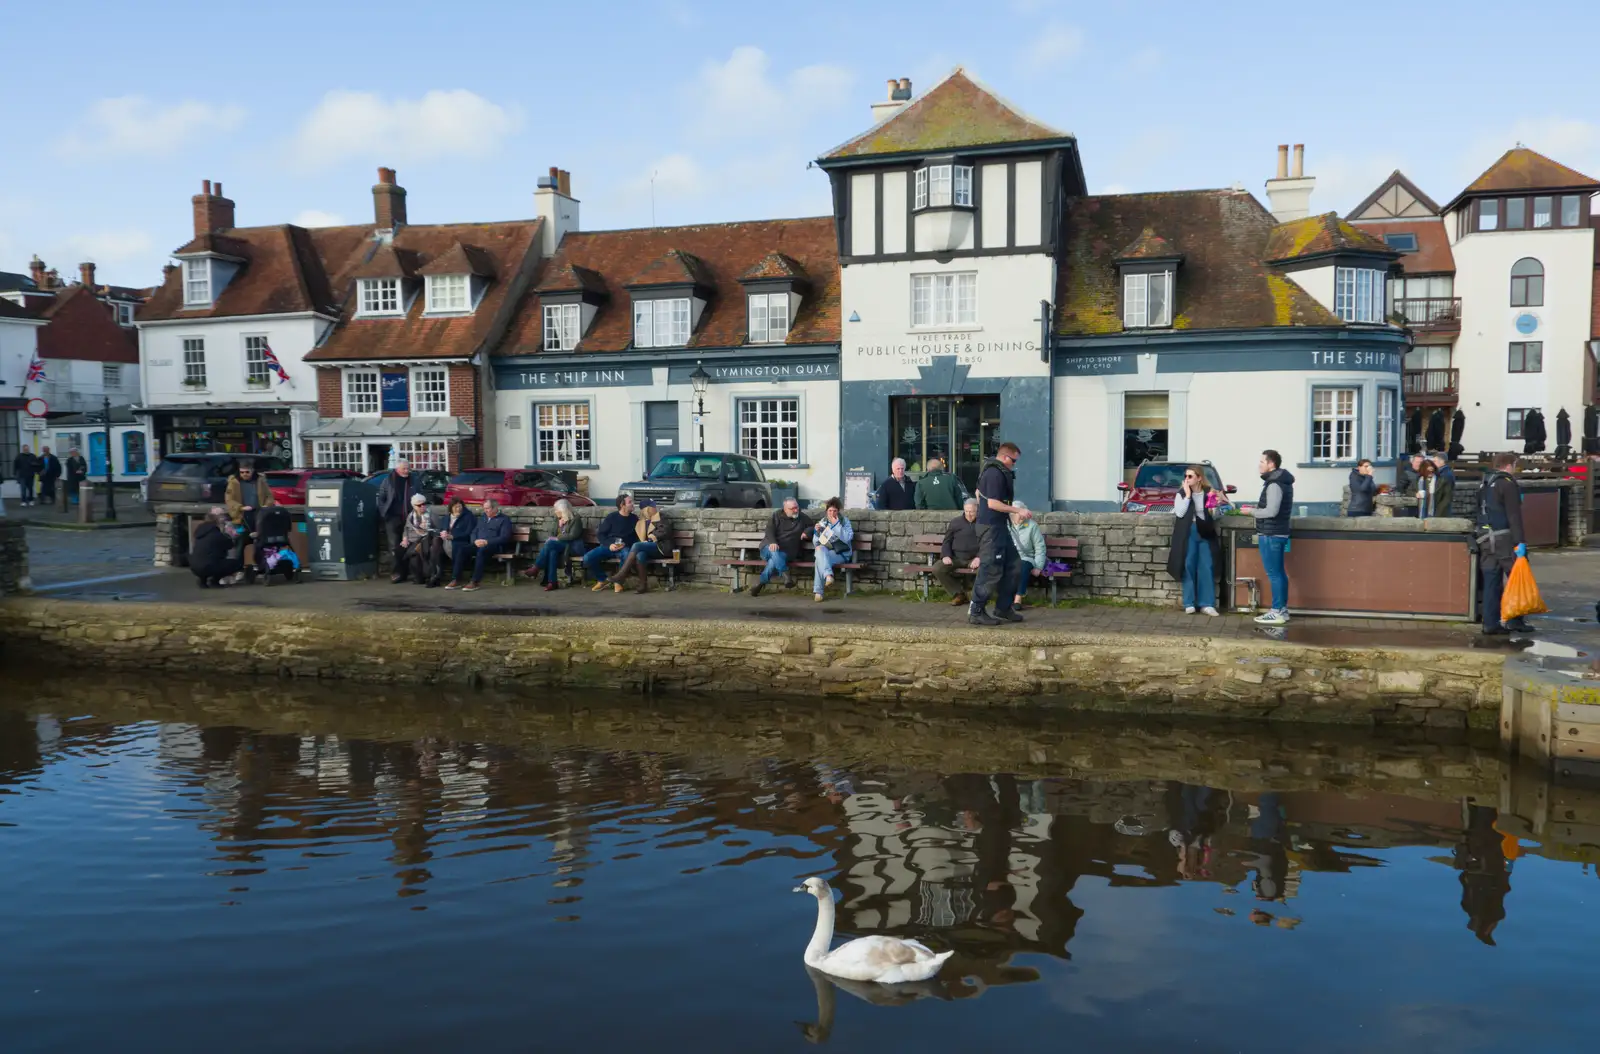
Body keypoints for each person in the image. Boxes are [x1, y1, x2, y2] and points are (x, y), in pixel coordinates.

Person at [969, 441, 1030, 627]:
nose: (1014, 465)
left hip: (997, 526)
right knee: (990, 569)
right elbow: (992, 503)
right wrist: (1016, 511)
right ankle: (977, 611)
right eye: (1013, 461)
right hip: (991, 528)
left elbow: (978, 493)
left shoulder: (992, 471)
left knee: (1015, 565)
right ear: (1005, 457)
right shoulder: (994, 473)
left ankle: (1003, 607)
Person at [1476, 452, 1528, 636]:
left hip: (1484, 538)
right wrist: (1520, 541)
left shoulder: (1485, 483)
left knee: (1491, 581)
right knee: (1517, 578)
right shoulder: (1507, 483)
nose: (1515, 469)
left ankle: (1490, 623)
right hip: (1504, 538)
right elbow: (1513, 515)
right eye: (1515, 465)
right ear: (1509, 465)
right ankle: (1515, 620)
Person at [1249, 449, 1294, 626]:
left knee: (1274, 574)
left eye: (1262, 462)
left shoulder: (1274, 484)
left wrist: (1251, 511)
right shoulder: (1282, 482)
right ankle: (1282, 610)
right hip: (1278, 532)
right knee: (1280, 574)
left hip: (1271, 534)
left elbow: (1272, 511)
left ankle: (1276, 611)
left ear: (1271, 464)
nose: (1259, 465)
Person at [1167, 466, 1221, 616]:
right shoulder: (1182, 493)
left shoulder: (1208, 492)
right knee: (1188, 564)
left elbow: (1214, 515)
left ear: (1199, 478)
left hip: (1205, 531)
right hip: (1188, 532)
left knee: (1206, 565)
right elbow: (1180, 512)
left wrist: (1215, 503)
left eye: (1190, 476)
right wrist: (1188, 496)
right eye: (1185, 476)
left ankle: (1207, 604)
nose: (1187, 479)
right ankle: (1189, 603)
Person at [750, 496, 813, 597]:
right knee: (774, 552)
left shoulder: (802, 517)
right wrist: (773, 542)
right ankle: (786, 574)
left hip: (787, 552)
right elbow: (769, 530)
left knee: (773, 561)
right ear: (785, 509)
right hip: (768, 548)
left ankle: (760, 583)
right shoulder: (776, 515)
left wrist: (806, 532)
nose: (796, 510)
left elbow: (812, 526)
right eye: (792, 508)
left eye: (797, 507)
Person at [602, 500, 668, 594]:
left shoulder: (660, 517)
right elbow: (636, 537)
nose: (653, 509)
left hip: (661, 547)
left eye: (653, 507)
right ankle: (643, 586)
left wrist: (649, 539)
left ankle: (621, 574)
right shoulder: (640, 522)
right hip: (646, 549)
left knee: (637, 546)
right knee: (640, 555)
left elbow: (664, 531)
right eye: (650, 507)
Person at [376, 460, 424, 583]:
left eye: (408, 468)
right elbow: (381, 498)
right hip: (393, 517)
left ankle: (412, 572)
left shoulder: (414, 480)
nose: (407, 471)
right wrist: (384, 513)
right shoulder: (388, 480)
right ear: (397, 469)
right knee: (395, 546)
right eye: (404, 469)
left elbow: (421, 495)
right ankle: (397, 573)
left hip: (410, 517)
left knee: (412, 544)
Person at [224, 458, 275, 564]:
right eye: (242, 472)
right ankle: (238, 569)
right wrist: (240, 507)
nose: (244, 474)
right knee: (240, 541)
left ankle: (262, 566)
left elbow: (269, 496)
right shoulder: (234, 481)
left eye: (247, 472)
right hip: (242, 516)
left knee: (260, 541)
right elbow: (229, 499)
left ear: (252, 471)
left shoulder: (260, 480)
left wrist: (266, 505)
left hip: (258, 514)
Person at [526, 498, 583, 590]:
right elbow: (552, 534)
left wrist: (558, 537)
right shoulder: (558, 519)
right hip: (559, 545)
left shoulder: (576, 519)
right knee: (552, 552)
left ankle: (536, 567)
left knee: (550, 544)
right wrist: (559, 526)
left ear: (564, 510)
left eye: (557, 510)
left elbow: (573, 536)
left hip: (571, 546)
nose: (556, 512)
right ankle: (552, 582)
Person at [933, 498, 981, 605]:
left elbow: (987, 543)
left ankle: (973, 596)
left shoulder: (983, 523)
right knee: (938, 568)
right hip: (956, 557)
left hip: (974, 558)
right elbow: (947, 541)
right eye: (967, 511)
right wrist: (946, 555)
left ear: (977, 510)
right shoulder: (956, 522)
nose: (969, 514)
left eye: (972, 512)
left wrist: (979, 557)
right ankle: (958, 594)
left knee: (985, 569)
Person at [459, 496, 512, 592]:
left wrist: (486, 542)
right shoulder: (483, 518)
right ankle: (456, 578)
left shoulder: (504, 519)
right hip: (478, 543)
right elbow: (474, 532)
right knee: (461, 549)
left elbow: (504, 538)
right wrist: (474, 541)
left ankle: (475, 581)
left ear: (495, 508)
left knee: (481, 551)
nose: (485, 511)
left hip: (495, 546)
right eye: (484, 508)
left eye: (487, 508)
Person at [583, 494, 638, 587]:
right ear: (622, 505)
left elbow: (635, 537)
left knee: (627, 555)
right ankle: (602, 579)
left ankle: (618, 582)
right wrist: (610, 545)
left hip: (624, 547)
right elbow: (600, 534)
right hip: (608, 546)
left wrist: (625, 543)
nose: (633, 504)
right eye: (630, 502)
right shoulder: (611, 517)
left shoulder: (634, 519)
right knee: (587, 558)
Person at [810, 497, 854, 601]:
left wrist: (836, 525)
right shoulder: (823, 522)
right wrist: (816, 533)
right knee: (820, 550)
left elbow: (848, 538)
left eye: (835, 511)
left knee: (819, 561)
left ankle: (818, 592)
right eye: (830, 510)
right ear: (826, 511)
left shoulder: (844, 521)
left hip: (841, 553)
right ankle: (828, 575)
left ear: (838, 511)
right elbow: (816, 543)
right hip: (826, 551)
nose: (832, 513)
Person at [190, 507, 245, 588]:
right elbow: (229, 545)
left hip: (194, 566)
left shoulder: (201, 530)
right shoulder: (215, 533)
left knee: (208, 559)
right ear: (216, 518)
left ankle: (203, 581)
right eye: (221, 516)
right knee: (237, 563)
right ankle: (215, 581)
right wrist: (228, 534)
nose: (224, 518)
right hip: (209, 566)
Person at [1010, 500, 1047, 610]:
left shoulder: (1031, 525)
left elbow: (1040, 547)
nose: (1021, 517)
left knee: (1023, 565)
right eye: (1017, 514)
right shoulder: (1006, 525)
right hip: (1010, 558)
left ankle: (1018, 598)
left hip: (1027, 557)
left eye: (1022, 514)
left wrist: (1038, 566)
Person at [439, 497, 477, 589]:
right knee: (434, 547)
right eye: (455, 507)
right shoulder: (447, 517)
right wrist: (443, 532)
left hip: (461, 541)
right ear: (451, 508)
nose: (458, 509)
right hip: (446, 541)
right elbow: (441, 529)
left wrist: (454, 536)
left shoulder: (468, 517)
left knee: (457, 547)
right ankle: (435, 575)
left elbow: (468, 533)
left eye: (460, 506)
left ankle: (455, 579)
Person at [398, 493, 435, 584]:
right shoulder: (410, 516)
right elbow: (406, 529)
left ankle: (420, 577)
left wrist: (426, 528)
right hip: (412, 540)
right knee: (400, 549)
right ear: (414, 506)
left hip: (425, 539)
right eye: (419, 505)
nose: (422, 506)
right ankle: (416, 577)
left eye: (424, 504)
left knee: (416, 552)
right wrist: (405, 538)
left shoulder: (431, 515)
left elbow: (438, 529)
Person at [1430, 452, 1456, 516]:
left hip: (1441, 511)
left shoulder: (1446, 475)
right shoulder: (1439, 473)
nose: (1432, 464)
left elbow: (1447, 496)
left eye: (1434, 461)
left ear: (1442, 461)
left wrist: (1438, 512)